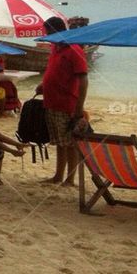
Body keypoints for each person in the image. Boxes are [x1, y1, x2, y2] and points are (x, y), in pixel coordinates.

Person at [38, 16, 89, 186]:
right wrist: (43, 85)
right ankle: (58, 175)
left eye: (47, 32)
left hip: (67, 103)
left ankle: (70, 178)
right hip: (51, 102)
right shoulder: (55, 48)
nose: (46, 35)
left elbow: (83, 79)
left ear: (55, 31)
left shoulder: (74, 49)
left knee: (70, 143)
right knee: (59, 142)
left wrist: (79, 108)